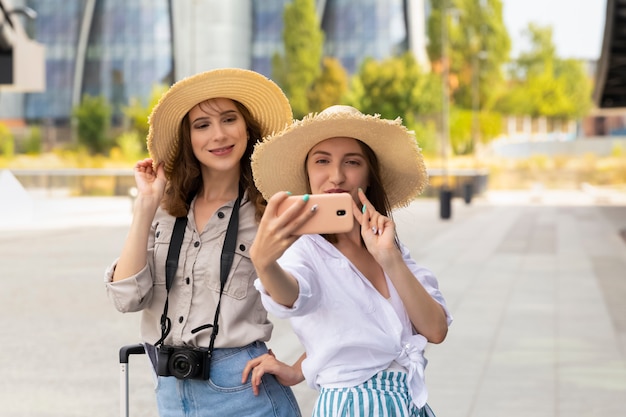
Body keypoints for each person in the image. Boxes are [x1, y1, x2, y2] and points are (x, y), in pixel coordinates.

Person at [104, 68, 301, 417]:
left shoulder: (270, 212)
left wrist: (300, 368)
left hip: (245, 393)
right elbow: (126, 297)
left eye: (229, 119)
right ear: (188, 138)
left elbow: (315, 299)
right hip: (170, 392)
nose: (219, 135)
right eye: (202, 125)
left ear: (247, 129)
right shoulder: (165, 210)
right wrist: (146, 206)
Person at [242, 105, 453, 416]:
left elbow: (434, 330)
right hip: (351, 407)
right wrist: (264, 263)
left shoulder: (387, 246)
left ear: (368, 176)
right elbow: (293, 294)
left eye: (352, 162)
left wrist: (389, 257)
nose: (336, 176)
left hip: (409, 403)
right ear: (308, 173)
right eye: (322, 161)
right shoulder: (305, 250)